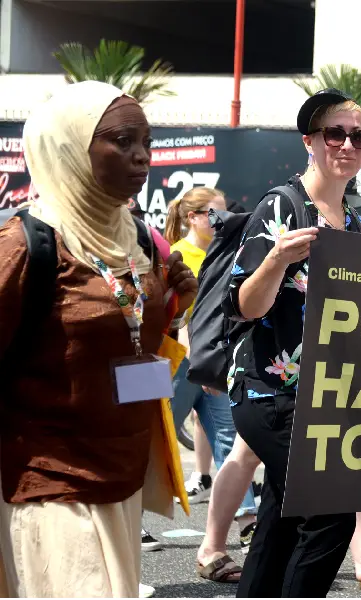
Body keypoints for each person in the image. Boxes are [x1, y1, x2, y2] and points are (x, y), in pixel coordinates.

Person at [225, 88, 361, 598]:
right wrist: (275, 260)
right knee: (332, 514)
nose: (348, 144)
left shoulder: (353, 221)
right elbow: (246, 305)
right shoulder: (283, 205)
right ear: (310, 142)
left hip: (321, 400)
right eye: (335, 133)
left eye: (358, 136)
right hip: (270, 395)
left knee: (280, 519)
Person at [0, 81, 198, 598]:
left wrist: (177, 306)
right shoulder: (25, 245)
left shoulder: (137, 238)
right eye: (121, 140)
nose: (141, 157)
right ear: (67, 148)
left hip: (124, 477)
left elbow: (135, 343)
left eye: (147, 142)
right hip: (51, 482)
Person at [162, 186, 260, 581]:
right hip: (177, 364)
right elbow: (171, 316)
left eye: (226, 215)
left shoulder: (225, 252)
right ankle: (129, 522)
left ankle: (247, 522)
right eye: (216, 215)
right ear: (194, 218)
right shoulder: (176, 256)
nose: (224, 223)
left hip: (212, 365)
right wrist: (195, 355)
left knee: (229, 440)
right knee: (155, 440)